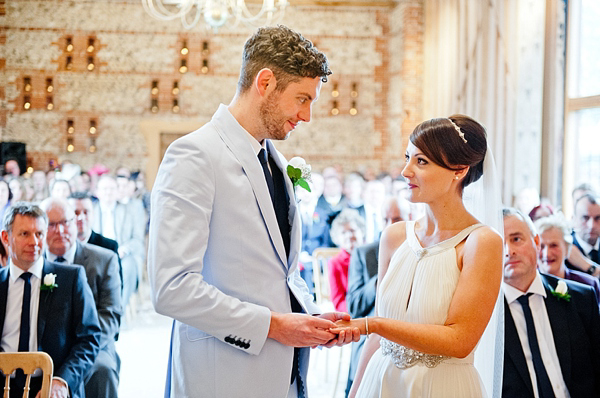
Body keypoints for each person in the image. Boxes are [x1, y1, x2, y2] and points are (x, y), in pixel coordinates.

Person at [148, 25, 359, 398]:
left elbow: (275, 272)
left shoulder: (274, 161)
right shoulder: (195, 156)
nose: (307, 115)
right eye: (302, 98)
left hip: (284, 376)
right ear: (265, 83)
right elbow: (172, 289)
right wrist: (274, 326)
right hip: (223, 376)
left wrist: (306, 318)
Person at [335, 115, 504, 398]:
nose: (405, 171)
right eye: (407, 158)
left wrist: (372, 324)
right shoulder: (394, 236)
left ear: (459, 170)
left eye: (421, 161)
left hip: (440, 388)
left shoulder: (480, 242)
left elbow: (459, 340)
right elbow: (377, 335)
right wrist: (354, 392)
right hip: (381, 381)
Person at [0, 203, 101, 398]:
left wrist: (62, 381)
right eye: (24, 234)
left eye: (39, 234)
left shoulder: (70, 278)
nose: (34, 242)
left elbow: (89, 339)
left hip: (50, 383)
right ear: (6, 237)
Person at [502, 207, 600, 397]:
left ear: (536, 242)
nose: (509, 251)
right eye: (499, 243)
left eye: (516, 239)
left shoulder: (581, 298)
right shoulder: (485, 314)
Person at [40, 198, 122, 398]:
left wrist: (78, 348)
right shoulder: (35, 261)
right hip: (45, 346)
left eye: (66, 222)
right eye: (52, 224)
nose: (60, 231)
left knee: (103, 370)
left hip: (94, 344)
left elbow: (110, 316)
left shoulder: (104, 260)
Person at [345, 196, 410, 396]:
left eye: (397, 219)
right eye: (385, 220)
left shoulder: (420, 253)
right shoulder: (364, 254)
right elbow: (354, 306)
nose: (391, 225)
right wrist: (380, 279)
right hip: (370, 338)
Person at [535, 213, 600, 304]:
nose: (547, 254)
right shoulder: (527, 286)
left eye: (554, 245)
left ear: (567, 248)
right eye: (541, 247)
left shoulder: (588, 284)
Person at [328, 208, 366, 313]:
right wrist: (354, 311)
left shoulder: (371, 254)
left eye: (352, 230)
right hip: (352, 313)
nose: (349, 236)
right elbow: (338, 301)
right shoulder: (335, 263)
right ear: (337, 238)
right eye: (343, 233)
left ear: (361, 231)